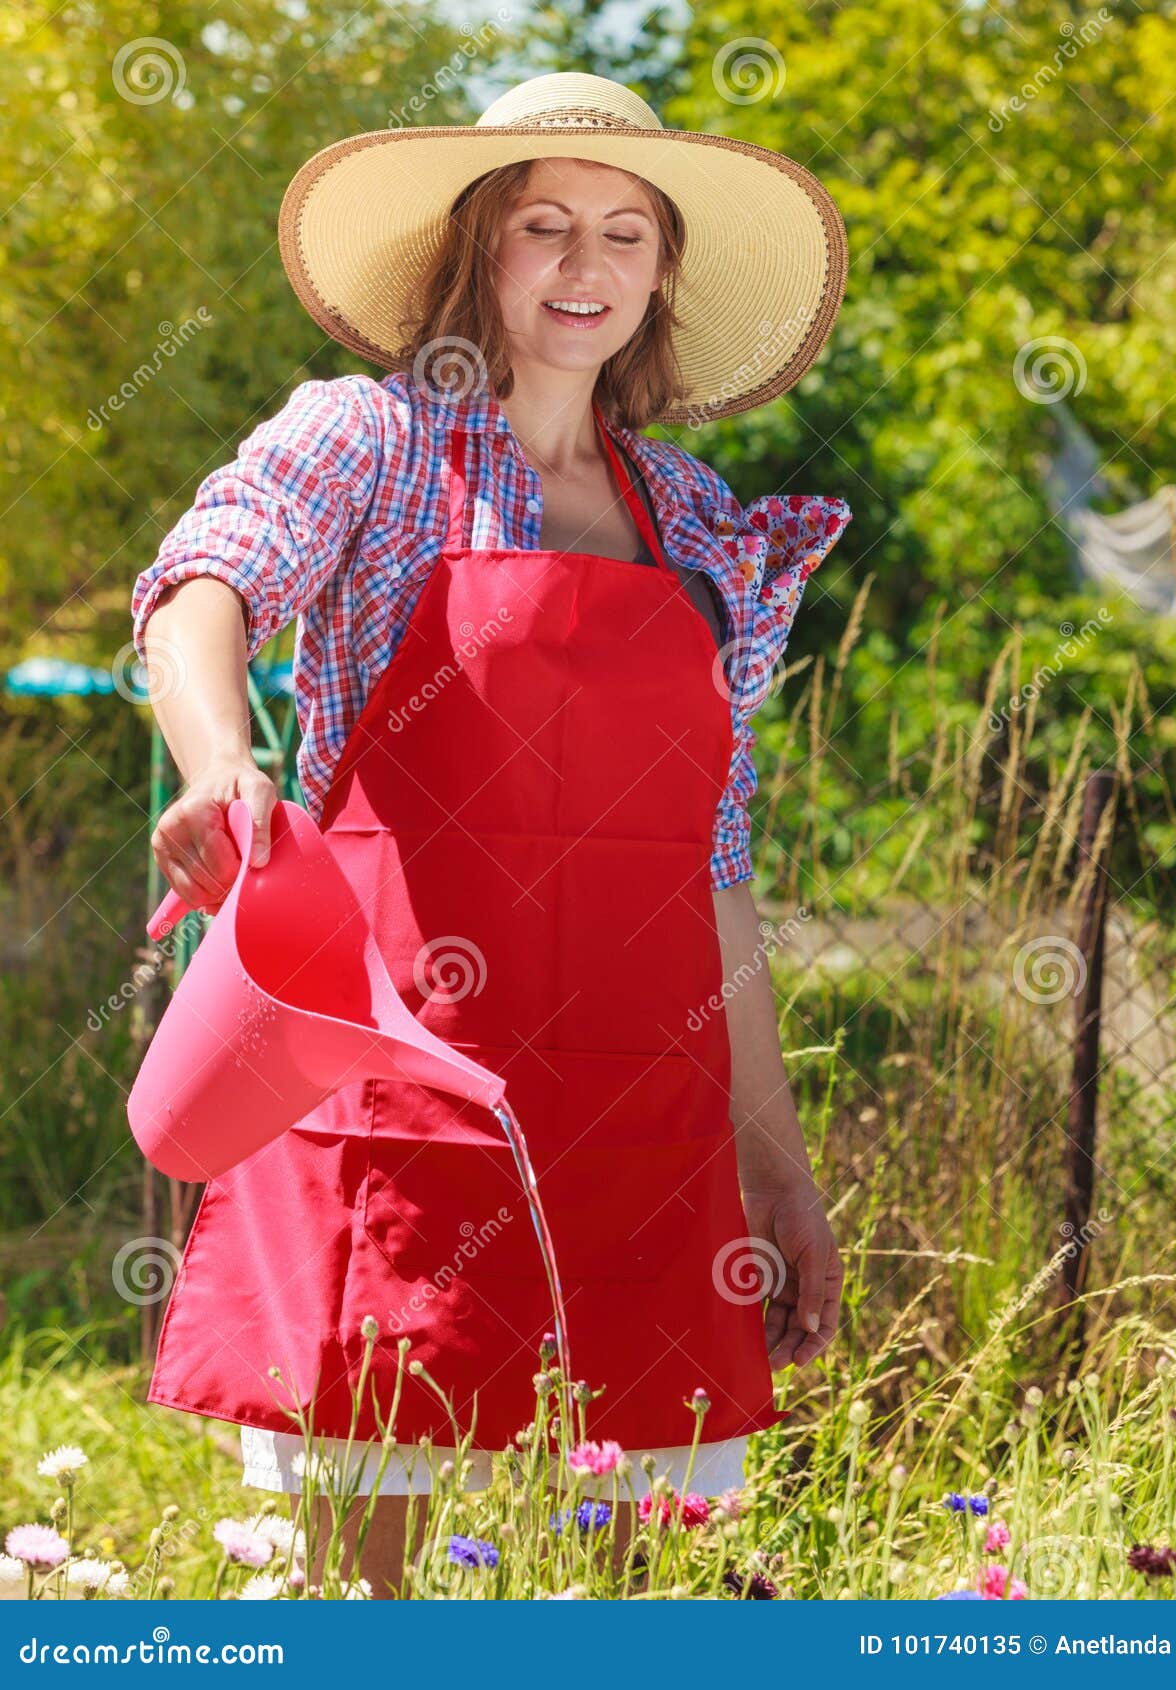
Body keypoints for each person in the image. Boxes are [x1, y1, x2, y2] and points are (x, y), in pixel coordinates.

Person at [130, 71, 853, 1596]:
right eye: (545, 224)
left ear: (661, 273)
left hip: (647, 1133)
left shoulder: (700, 520)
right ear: (480, 245)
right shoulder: (375, 447)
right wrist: (217, 758)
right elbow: (205, 584)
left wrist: (772, 1162)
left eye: (625, 233)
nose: (584, 268)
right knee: (361, 1603)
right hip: (408, 1115)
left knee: (653, 1601)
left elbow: (715, 865)